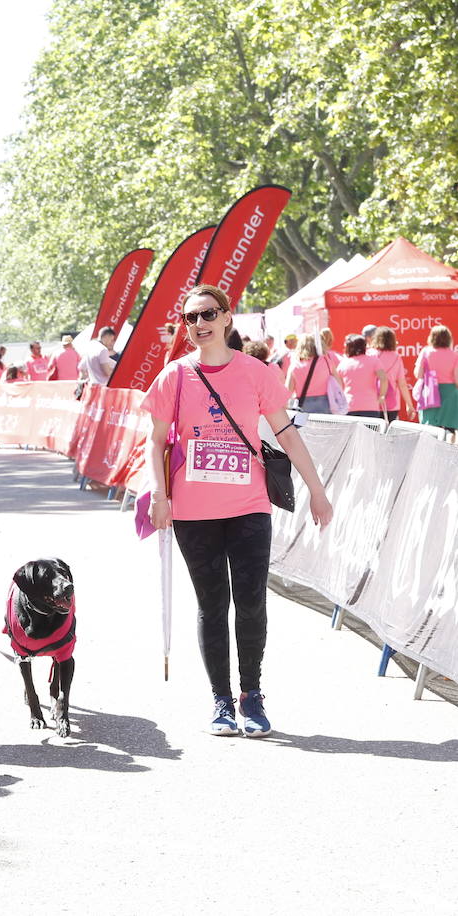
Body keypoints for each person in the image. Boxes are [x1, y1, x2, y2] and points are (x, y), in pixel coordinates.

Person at [147, 284, 332, 738]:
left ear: (228, 318)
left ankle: (251, 694)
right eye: (190, 318)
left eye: (208, 314)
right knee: (213, 606)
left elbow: (286, 434)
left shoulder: (257, 372)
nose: (199, 324)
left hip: (249, 507)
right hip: (194, 511)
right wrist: (158, 495)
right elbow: (154, 439)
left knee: (250, 603)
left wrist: (317, 489)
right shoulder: (174, 376)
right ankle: (221, 701)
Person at [415, 324, 458, 432]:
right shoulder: (454, 355)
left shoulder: (426, 351)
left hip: (430, 392)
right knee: (450, 427)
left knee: (430, 427)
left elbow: (418, 374)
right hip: (450, 394)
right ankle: (448, 448)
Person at [286, 335, 342, 413]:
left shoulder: (295, 366)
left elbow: (288, 391)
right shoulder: (326, 361)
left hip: (303, 404)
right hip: (325, 404)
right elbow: (339, 383)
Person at [336, 334, 387, 419]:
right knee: (370, 432)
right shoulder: (374, 361)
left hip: (349, 406)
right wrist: (381, 395)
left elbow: (339, 387)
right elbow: (384, 378)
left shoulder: (343, 364)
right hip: (370, 405)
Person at [371, 327, 414, 423]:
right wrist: (409, 405)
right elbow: (402, 384)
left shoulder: (370, 354)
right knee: (388, 432)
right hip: (392, 401)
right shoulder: (396, 357)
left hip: (372, 401)